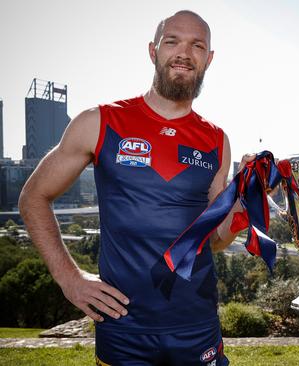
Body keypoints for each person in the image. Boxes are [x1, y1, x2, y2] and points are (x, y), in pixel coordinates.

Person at [19, 10, 240, 365]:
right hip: (122, 328)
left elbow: (214, 239)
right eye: (173, 41)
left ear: (208, 59)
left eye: (197, 45)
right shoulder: (100, 121)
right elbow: (33, 196)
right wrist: (69, 278)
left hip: (196, 326)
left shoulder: (216, 141)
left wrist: (244, 207)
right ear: (153, 51)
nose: (184, 52)